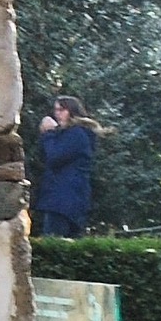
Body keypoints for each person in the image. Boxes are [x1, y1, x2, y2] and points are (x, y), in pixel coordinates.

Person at [31, 95, 101, 239]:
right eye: (56, 110)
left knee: (53, 244)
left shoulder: (76, 134)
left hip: (63, 201)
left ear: (72, 112)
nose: (57, 114)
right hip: (66, 199)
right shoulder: (73, 134)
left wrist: (49, 133)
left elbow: (54, 157)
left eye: (62, 110)